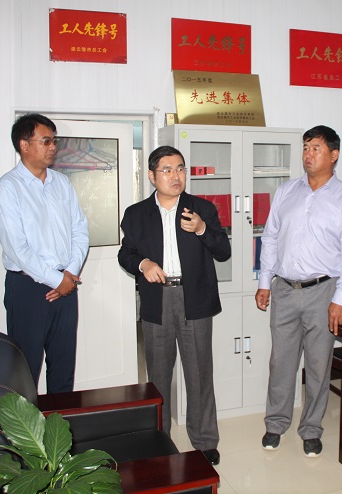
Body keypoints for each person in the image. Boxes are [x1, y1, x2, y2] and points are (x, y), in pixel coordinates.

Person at [117, 145, 230, 466]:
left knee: (199, 373)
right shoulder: (136, 214)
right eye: (167, 170)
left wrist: (203, 229)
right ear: (152, 176)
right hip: (158, 298)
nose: (176, 175)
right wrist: (143, 264)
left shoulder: (201, 208)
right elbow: (126, 253)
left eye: (180, 168)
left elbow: (223, 251)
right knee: (159, 376)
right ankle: (159, 438)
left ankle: (205, 440)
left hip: (195, 299)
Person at [256, 125, 342, 457]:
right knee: (281, 362)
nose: (308, 154)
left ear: (334, 155)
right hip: (284, 289)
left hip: (323, 291)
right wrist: (264, 282)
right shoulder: (286, 192)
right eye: (305, 147)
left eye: (316, 148)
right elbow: (270, 237)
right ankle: (276, 423)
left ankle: (312, 429)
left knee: (318, 365)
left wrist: (340, 299)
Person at [0, 113, 89, 393]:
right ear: (24, 145)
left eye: (54, 141)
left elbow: (80, 230)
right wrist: (56, 280)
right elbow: (17, 249)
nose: (53, 147)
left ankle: (60, 422)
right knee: (25, 371)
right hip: (29, 289)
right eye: (46, 141)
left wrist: (69, 274)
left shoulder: (62, 183)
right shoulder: (8, 188)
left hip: (66, 284)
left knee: (63, 368)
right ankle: (28, 425)